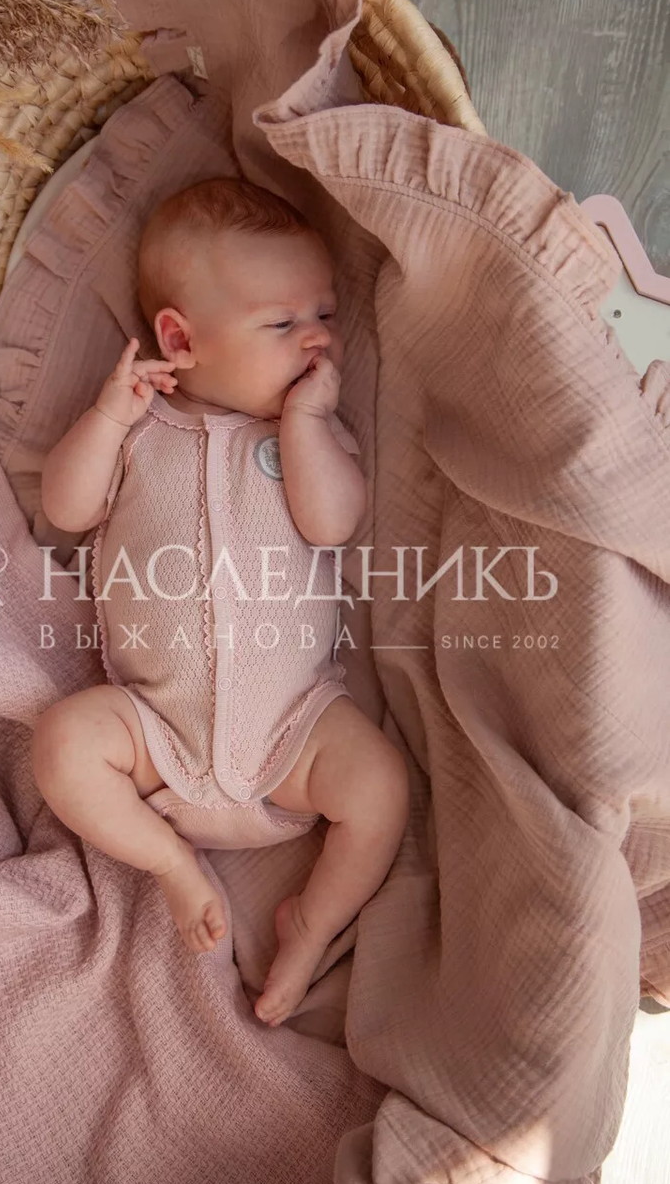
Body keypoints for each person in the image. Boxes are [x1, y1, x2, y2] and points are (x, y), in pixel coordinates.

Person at [31, 178, 409, 1028]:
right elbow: (66, 507)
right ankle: (170, 862)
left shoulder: (311, 436)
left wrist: (307, 425)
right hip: (153, 732)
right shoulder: (139, 433)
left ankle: (312, 924)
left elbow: (334, 522)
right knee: (61, 744)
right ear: (179, 339)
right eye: (281, 324)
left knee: (381, 787)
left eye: (325, 313)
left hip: (295, 733)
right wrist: (106, 418)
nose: (316, 337)